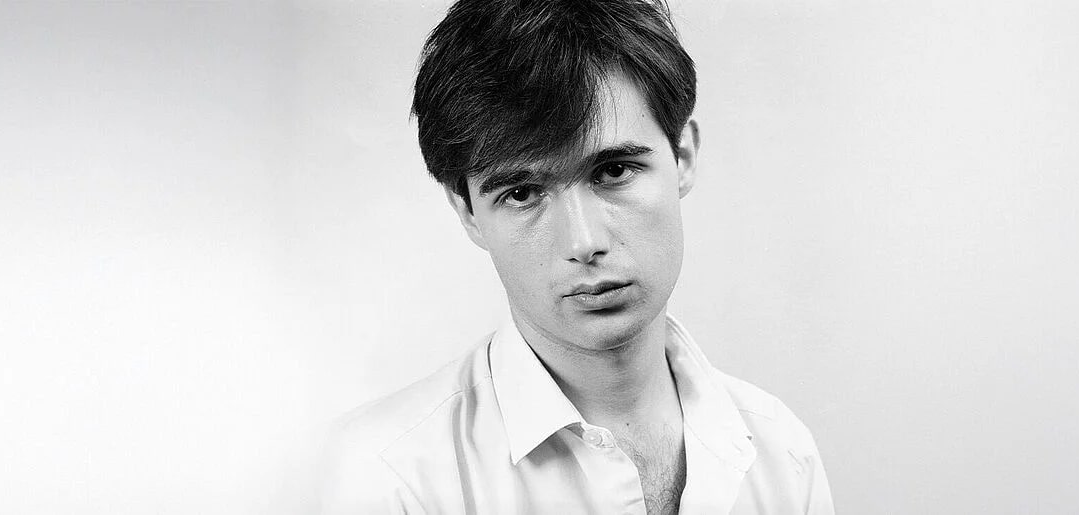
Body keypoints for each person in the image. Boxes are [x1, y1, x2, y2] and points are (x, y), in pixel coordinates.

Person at [321, 0, 835, 513]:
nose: (583, 242)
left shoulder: (782, 451)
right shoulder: (387, 478)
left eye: (613, 171)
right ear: (468, 211)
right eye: (522, 193)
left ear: (682, 156)